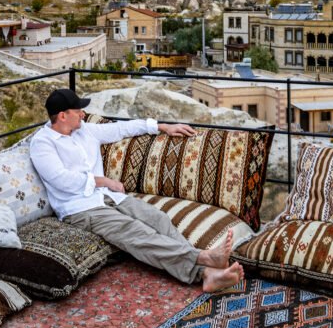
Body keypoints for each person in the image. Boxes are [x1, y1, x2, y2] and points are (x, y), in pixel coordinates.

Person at [29, 88, 244, 293]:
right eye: (78, 111)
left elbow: (120, 129)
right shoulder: (42, 143)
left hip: (108, 197)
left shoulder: (84, 130)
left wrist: (161, 127)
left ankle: (207, 273)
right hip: (79, 208)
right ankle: (203, 261)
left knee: (156, 217)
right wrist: (102, 181)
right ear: (63, 116)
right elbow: (60, 180)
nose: (83, 114)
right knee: (136, 232)